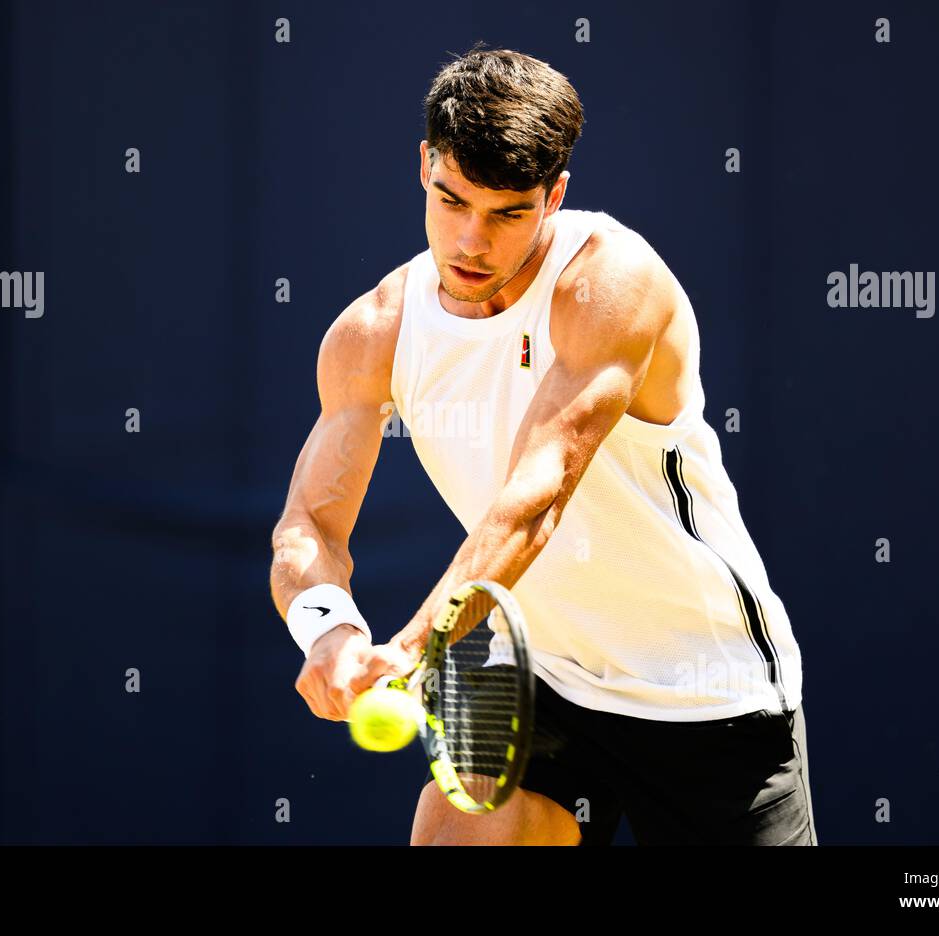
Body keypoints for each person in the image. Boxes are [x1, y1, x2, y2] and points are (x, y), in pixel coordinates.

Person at [270, 46, 816, 846]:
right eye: (452, 200)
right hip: (545, 686)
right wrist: (330, 632)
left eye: (507, 213)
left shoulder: (610, 284)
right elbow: (308, 529)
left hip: (708, 696)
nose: (470, 241)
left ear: (555, 195)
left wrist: (414, 649)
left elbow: (536, 499)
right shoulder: (374, 332)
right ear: (424, 166)